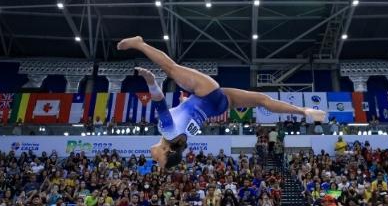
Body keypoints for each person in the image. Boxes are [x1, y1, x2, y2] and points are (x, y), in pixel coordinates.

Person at [117, 36, 326, 169]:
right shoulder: (168, 131)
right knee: (171, 69)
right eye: (157, 160)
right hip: (207, 94)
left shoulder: (182, 140)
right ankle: (140, 43)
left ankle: (304, 111)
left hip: (218, 106)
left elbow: (191, 116)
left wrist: (183, 103)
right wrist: (151, 81)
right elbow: (160, 103)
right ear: (167, 151)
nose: (152, 157)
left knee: (262, 100)